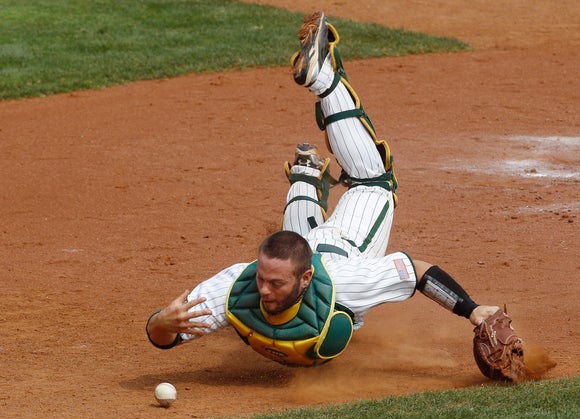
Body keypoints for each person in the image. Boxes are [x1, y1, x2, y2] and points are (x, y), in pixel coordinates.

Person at [146, 11, 500, 367]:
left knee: (366, 185)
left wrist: (471, 310)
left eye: (275, 284)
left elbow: (417, 272)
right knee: (368, 185)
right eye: (262, 278)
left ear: (305, 279)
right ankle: (323, 88)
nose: (263, 290)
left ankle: (306, 174)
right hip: (313, 247)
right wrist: (161, 321)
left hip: (347, 244)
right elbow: (163, 336)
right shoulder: (239, 285)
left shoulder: (350, 283)